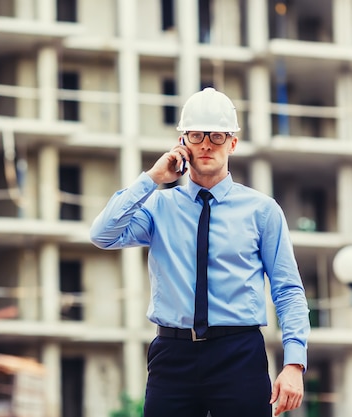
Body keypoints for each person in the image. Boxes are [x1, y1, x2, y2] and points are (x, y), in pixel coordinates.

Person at [89, 88, 310, 417]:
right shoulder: (158, 207)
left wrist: (294, 363)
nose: (206, 144)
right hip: (172, 355)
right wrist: (152, 178)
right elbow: (102, 234)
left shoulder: (262, 211)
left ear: (232, 143)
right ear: (182, 142)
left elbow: (287, 289)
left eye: (217, 136)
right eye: (196, 135)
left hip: (239, 354)